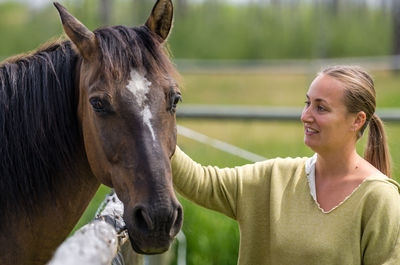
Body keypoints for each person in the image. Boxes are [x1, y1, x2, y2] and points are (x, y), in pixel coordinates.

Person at [171, 65, 400, 265]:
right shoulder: (275, 178)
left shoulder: (379, 198)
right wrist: (152, 130)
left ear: (357, 120)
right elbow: (200, 182)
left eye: (321, 108)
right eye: (307, 103)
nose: (306, 116)